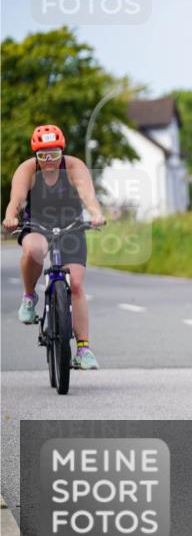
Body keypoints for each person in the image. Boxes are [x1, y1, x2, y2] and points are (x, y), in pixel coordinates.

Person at [2, 125, 106, 370]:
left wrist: (96, 213)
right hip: (37, 223)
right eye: (43, 155)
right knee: (33, 250)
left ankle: (83, 349)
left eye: (54, 154)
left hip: (71, 224)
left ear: (62, 151)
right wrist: (10, 217)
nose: (49, 160)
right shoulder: (27, 170)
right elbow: (15, 201)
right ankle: (29, 297)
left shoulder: (74, 167)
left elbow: (88, 195)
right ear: (35, 155)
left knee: (77, 284)